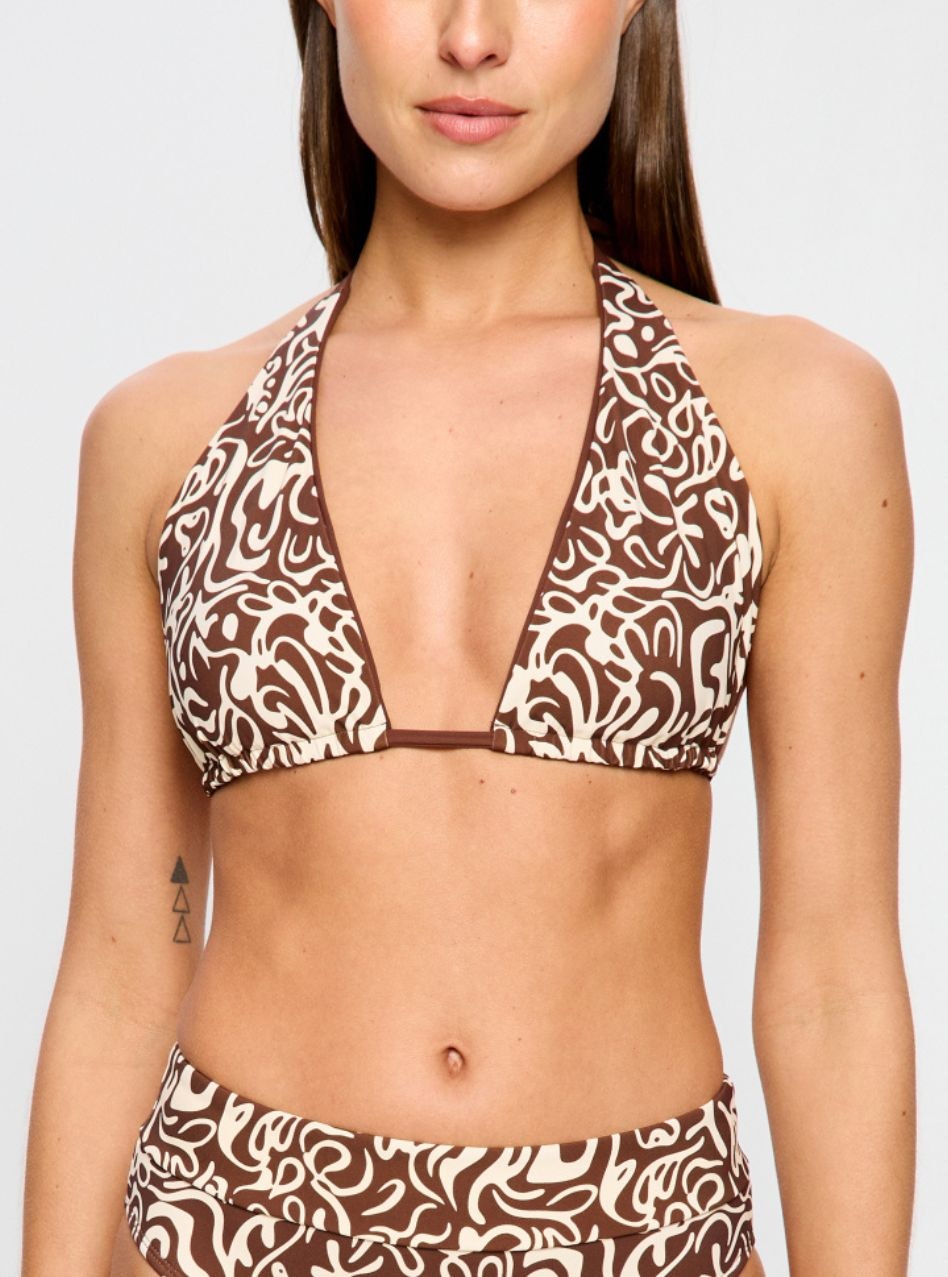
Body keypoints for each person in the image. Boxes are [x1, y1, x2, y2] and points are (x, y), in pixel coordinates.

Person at [21, 2, 916, 1275]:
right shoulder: (167, 438)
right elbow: (120, 967)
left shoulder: (794, 416)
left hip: (634, 1235)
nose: (472, 37)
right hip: (227, 1227)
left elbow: (834, 981)